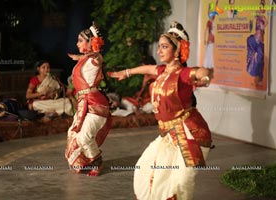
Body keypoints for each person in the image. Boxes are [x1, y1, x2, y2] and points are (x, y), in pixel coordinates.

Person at [108, 21, 213, 200]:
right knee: (146, 170)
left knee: (181, 181)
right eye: (160, 47)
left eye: (164, 47)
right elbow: (147, 68)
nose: (159, 51)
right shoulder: (162, 70)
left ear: (178, 49)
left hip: (190, 134)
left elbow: (202, 72)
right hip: (167, 134)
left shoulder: (184, 74)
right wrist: (126, 72)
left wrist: (206, 75)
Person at [65, 22, 112, 176]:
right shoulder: (85, 59)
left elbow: (97, 58)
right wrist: (78, 56)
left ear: (90, 42)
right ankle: (84, 161)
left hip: (96, 103)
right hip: (83, 102)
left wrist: (96, 41)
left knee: (84, 136)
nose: (77, 43)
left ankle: (97, 162)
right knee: (73, 133)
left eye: (80, 40)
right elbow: (86, 57)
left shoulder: (95, 58)